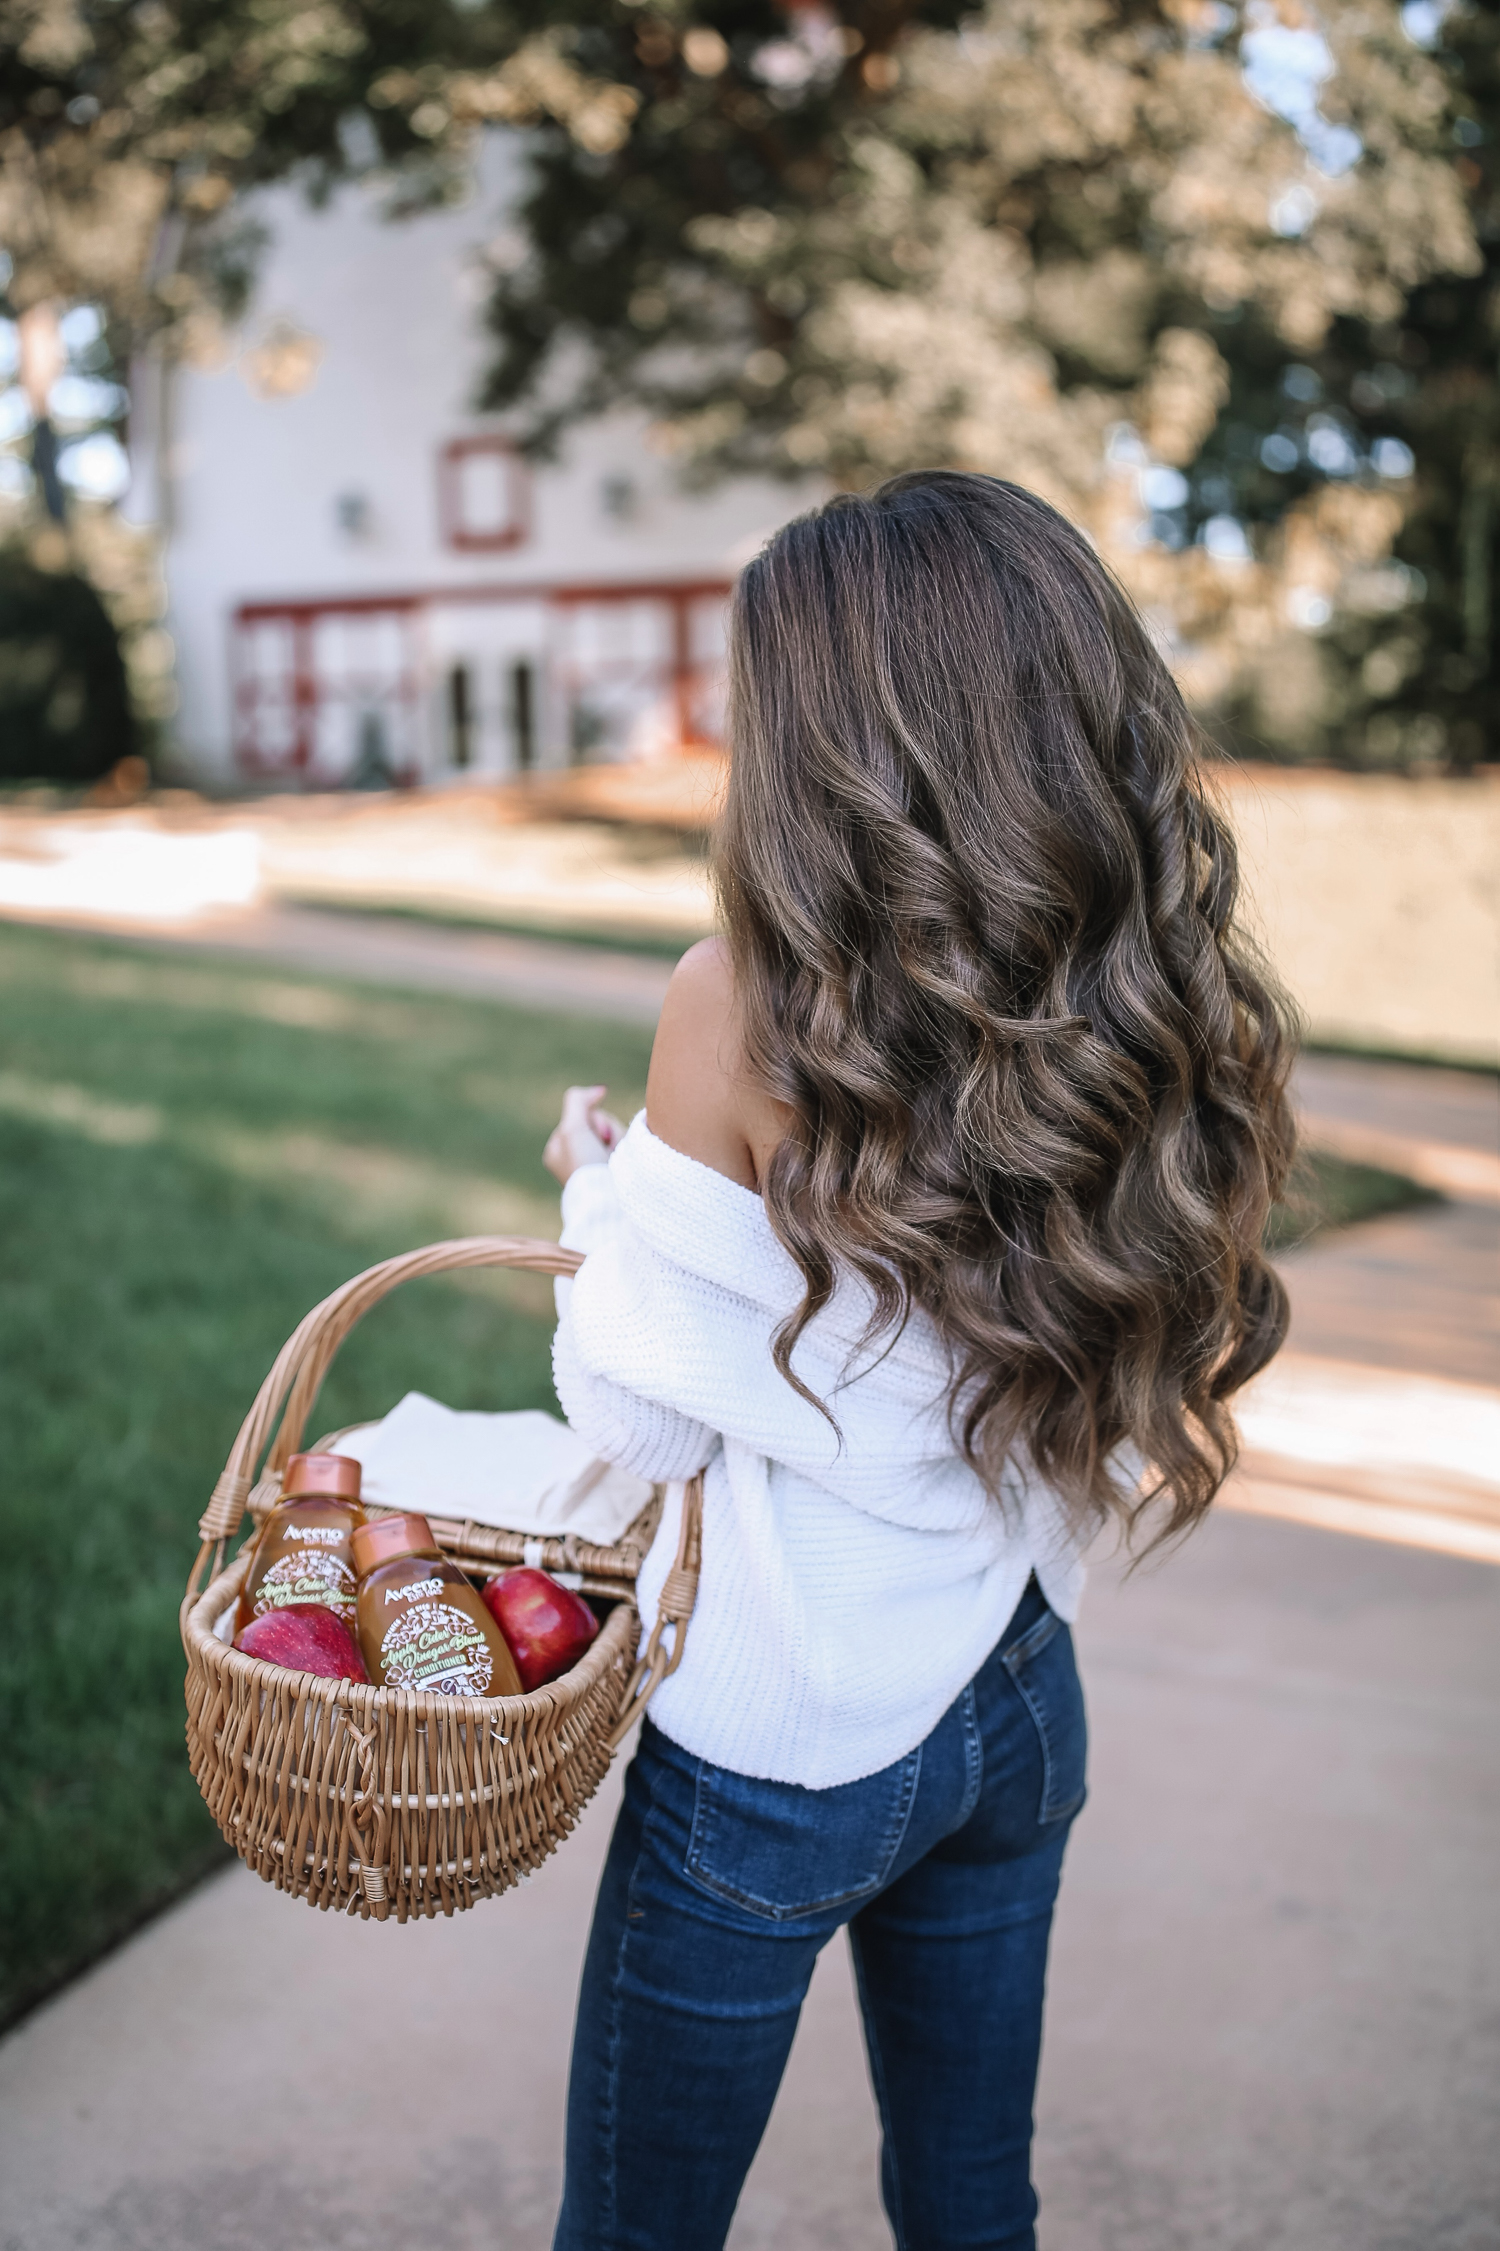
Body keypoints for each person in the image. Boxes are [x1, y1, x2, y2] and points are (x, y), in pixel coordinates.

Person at [541, 471, 1296, 2251]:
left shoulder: (737, 996)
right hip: (1017, 1688)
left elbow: (638, 1408)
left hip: (780, 1748)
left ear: (820, 732)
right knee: (973, 2202)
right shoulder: (1138, 975)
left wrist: (605, 1212)